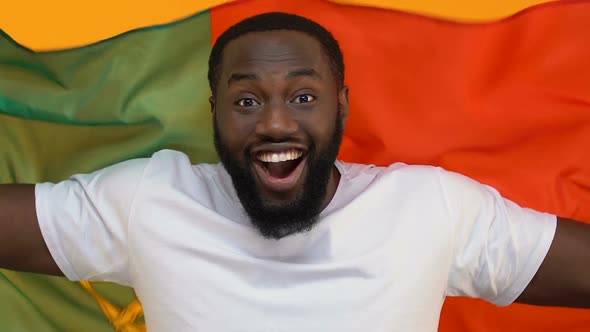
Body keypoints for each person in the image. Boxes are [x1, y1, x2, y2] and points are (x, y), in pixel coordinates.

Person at [0, 12, 589, 332]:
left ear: (343, 107)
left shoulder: (430, 207)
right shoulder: (149, 200)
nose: (275, 123)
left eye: (303, 98)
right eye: (247, 101)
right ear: (215, 113)